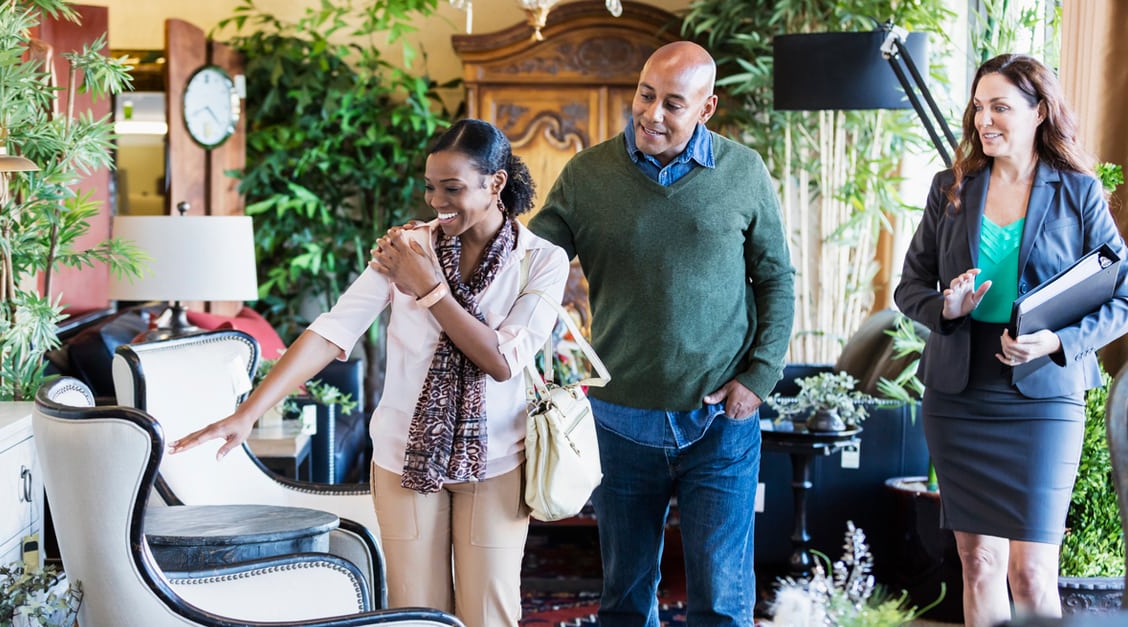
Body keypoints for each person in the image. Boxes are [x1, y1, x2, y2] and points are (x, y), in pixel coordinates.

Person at [170, 118, 570, 627]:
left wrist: (430, 291)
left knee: (490, 613)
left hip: (495, 461)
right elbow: (333, 330)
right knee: (417, 611)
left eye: (452, 189)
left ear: (495, 183)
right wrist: (248, 413)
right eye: (430, 187)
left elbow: (502, 361)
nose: (436, 202)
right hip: (404, 453)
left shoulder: (541, 260)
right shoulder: (405, 249)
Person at [528, 41, 795, 626]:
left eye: (674, 104)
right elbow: (530, 268)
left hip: (720, 422)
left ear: (707, 107)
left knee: (722, 602)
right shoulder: (587, 175)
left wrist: (759, 378)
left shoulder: (743, 171)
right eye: (646, 95)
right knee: (624, 598)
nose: (652, 114)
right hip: (619, 419)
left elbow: (777, 280)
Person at [894, 53, 1128, 627]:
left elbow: (1122, 297)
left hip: (1044, 396)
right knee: (978, 562)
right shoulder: (950, 188)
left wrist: (1055, 342)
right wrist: (946, 305)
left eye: (1000, 107)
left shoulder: (1077, 191)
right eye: (978, 107)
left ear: (1039, 111)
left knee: (1030, 574)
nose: (984, 120)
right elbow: (909, 287)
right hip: (959, 391)